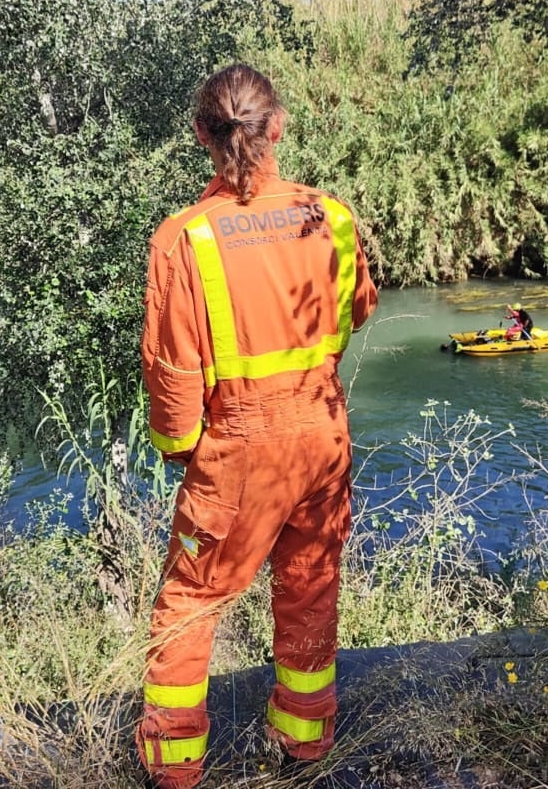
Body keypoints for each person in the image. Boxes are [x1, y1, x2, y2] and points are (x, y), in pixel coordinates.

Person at [137, 63, 378, 789]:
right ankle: (304, 749)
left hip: (241, 443)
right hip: (323, 432)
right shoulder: (327, 216)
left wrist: (184, 450)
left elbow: (172, 367)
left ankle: (175, 771)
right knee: (310, 584)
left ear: (199, 135)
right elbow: (356, 309)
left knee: (189, 602)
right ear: (277, 127)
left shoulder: (184, 238)